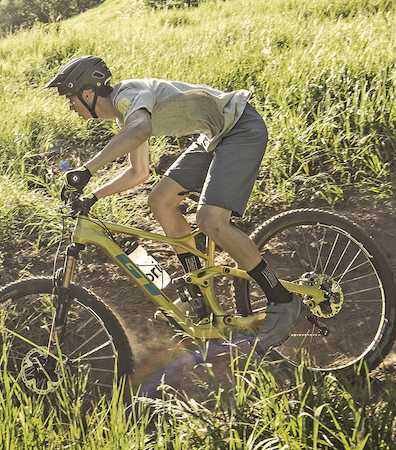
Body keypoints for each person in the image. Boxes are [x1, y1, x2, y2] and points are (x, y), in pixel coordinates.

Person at [44, 54, 301, 349]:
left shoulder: (127, 96)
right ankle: (198, 291)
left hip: (240, 127)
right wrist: (93, 195)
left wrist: (87, 170)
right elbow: (138, 172)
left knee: (209, 221)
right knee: (161, 200)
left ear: (88, 93)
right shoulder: (125, 114)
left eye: (70, 98)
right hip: (215, 135)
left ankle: (283, 300)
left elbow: (141, 130)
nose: (69, 106)